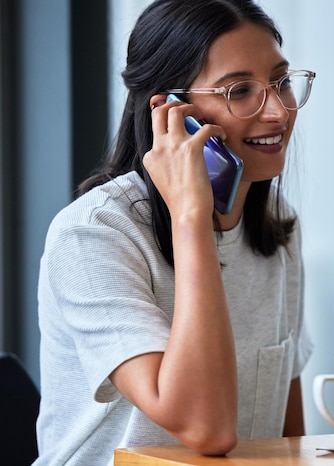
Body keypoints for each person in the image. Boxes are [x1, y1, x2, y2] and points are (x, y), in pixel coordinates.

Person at [34, 0, 315, 464]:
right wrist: (190, 218)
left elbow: (287, 433)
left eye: (281, 82)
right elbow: (206, 429)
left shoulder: (277, 227)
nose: (279, 113)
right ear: (171, 112)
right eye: (240, 90)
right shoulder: (93, 235)